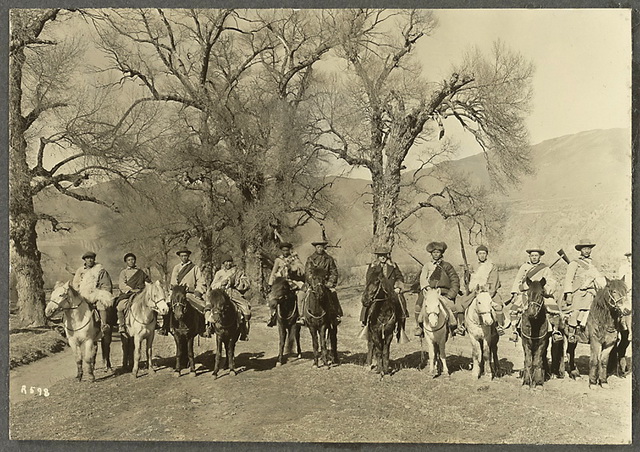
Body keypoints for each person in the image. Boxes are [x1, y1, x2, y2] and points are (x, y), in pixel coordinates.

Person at [454, 245, 508, 335]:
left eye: (484, 253)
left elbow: (494, 281)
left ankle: (499, 326)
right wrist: (466, 274)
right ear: (477, 255)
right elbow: (468, 282)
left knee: (498, 304)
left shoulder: (492, 266)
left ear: (487, 255)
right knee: (461, 302)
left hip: (488, 291)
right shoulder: (472, 266)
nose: (482, 255)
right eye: (480, 254)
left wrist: (488, 293)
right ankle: (462, 325)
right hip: (475, 291)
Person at [506, 247, 557, 342]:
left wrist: (545, 290)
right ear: (529, 256)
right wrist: (516, 292)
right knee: (514, 310)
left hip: (541, 294)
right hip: (527, 293)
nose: (534, 257)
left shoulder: (545, 268)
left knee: (554, 309)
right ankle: (514, 332)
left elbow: (551, 281)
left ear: (540, 257)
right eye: (532, 255)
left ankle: (555, 331)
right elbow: (518, 280)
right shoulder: (524, 267)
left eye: (536, 255)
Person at [562, 239, 606, 341]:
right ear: (580, 250)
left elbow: (599, 277)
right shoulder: (574, 263)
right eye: (584, 248)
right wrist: (568, 293)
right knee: (576, 311)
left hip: (593, 291)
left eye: (589, 248)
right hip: (579, 292)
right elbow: (569, 279)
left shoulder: (595, 263)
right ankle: (572, 333)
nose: (587, 251)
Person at [414, 242, 459, 337]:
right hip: (429, 292)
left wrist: (451, 294)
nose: (436, 254)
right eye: (434, 252)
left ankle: (453, 327)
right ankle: (419, 327)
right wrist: (427, 288)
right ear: (431, 253)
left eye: (438, 252)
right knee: (418, 307)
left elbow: (454, 280)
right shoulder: (427, 266)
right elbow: (422, 278)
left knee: (452, 307)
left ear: (441, 253)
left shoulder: (447, 266)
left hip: (443, 292)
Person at [360, 247, 408, 333]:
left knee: (401, 299)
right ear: (377, 257)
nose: (383, 258)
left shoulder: (393, 265)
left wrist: (398, 286)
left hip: (391, 291)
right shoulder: (373, 266)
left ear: (387, 256)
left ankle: (401, 323)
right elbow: (369, 279)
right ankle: (365, 322)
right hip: (377, 291)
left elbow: (399, 277)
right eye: (380, 256)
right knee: (367, 300)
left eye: (384, 255)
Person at [161, 248, 207, 335]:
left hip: (190, 293)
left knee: (202, 307)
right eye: (182, 256)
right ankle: (165, 327)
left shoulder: (195, 268)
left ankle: (202, 328)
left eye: (185, 255)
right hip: (178, 293)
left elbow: (201, 281)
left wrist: (198, 291)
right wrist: (176, 290)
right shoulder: (176, 268)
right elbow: (173, 282)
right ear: (179, 257)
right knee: (167, 307)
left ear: (188, 256)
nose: (184, 257)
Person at [298, 239, 343, 326]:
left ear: (324, 248)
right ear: (315, 248)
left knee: (333, 293)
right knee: (300, 295)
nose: (320, 249)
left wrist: (330, 282)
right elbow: (308, 273)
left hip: (325, 283)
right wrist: (313, 282)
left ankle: (336, 315)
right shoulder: (310, 259)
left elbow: (334, 272)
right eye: (318, 247)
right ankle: (302, 316)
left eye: (321, 247)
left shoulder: (329, 259)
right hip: (312, 283)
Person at [210, 254, 252, 341]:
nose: (228, 264)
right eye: (226, 262)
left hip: (234, 294)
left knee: (246, 310)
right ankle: (209, 327)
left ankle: (244, 331)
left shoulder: (238, 272)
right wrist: (221, 283)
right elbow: (213, 286)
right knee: (210, 309)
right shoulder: (219, 273)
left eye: (229, 262)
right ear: (223, 263)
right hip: (221, 295)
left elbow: (246, 284)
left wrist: (236, 282)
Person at [72, 251, 113, 334]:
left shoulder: (100, 270)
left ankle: (104, 324)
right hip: (82, 295)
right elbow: (75, 283)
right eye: (87, 258)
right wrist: (78, 292)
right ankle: (68, 326)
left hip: (97, 294)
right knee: (71, 305)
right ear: (84, 260)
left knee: (101, 305)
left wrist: (97, 293)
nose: (90, 260)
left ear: (94, 259)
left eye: (91, 258)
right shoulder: (80, 271)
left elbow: (106, 285)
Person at [266, 242, 305, 327]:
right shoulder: (278, 260)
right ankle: (272, 316)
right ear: (281, 251)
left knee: (300, 295)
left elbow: (302, 270)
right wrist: (270, 283)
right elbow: (273, 272)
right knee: (273, 296)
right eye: (283, 250)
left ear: (289, 250)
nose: (285, 252)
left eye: (287, 250)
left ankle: (301, 316)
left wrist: (293, 267)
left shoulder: (295, 259)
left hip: (293, 281)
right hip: (281, 282)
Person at [115, 253, 151, 336]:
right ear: (126, 262)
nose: (131, 261)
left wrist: (144, 289)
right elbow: (122, 284)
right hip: (128, 294)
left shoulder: (141, 272)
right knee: (120, 306)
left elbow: (148, 282)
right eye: (129, 260)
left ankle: (154, 323)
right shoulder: (123, 272)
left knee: (151, 305)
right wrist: (131, 290)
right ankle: (122, 325)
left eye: (132, 259)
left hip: (140, 293)